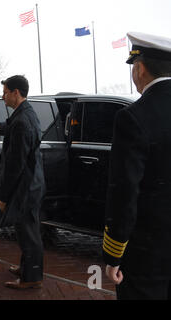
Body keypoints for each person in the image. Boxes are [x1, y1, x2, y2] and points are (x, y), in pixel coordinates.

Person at [103, 32, 171, 300]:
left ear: (140, 68)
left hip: (149, 251)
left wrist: (114, 253)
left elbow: (124, 192)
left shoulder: (132, 117)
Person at [0, 75, 46, 289]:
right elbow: (11, 125)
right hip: (33, 183)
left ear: (16, 93)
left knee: (29, 234)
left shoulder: (22, 121)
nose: (3, 97)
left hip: (25, 187)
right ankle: (27, 268)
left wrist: (3, 196)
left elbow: (14, 166)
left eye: (5, 92)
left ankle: (31, 278)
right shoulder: (26, 113)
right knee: (26, 231)